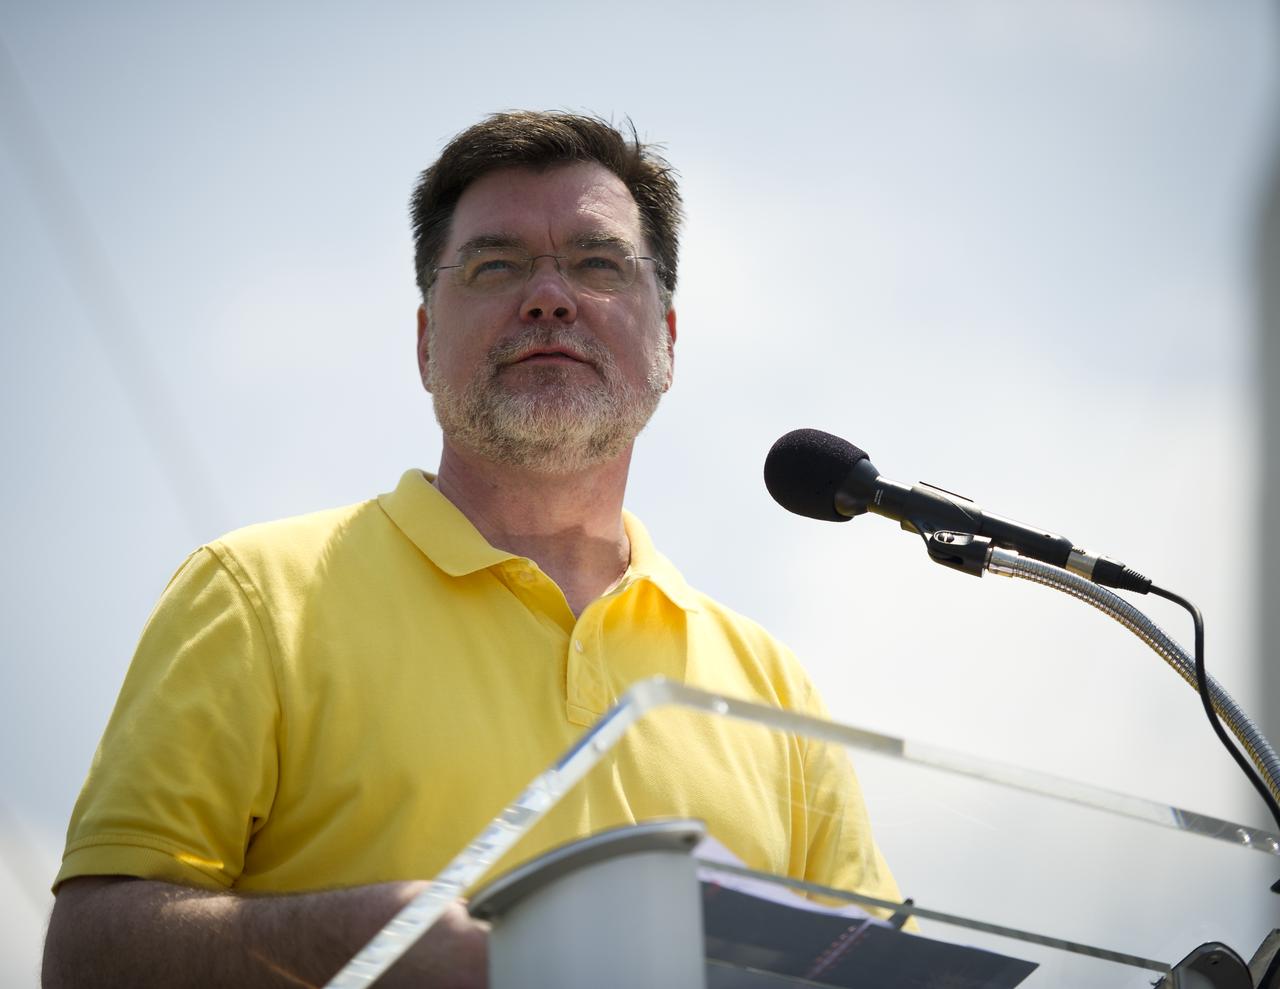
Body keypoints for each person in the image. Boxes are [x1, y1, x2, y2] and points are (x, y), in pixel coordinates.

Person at [42, 111, 905, 988]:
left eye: (598, 263)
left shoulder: (772, 688)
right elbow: (84, 959)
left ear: (669, 343)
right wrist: (351, 940)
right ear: (424, 344)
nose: (548, 297)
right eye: (496, 265)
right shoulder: (255, 594)